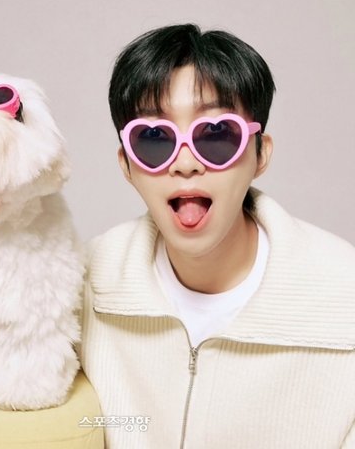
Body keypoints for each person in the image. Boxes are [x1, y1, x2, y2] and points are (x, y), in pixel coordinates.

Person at [79, 24, 355, 449]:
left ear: (261, 154)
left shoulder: (345, 297)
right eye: (153, 138)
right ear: (126, 164)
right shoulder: (76, 287)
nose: (185, 163)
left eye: (216, 134)